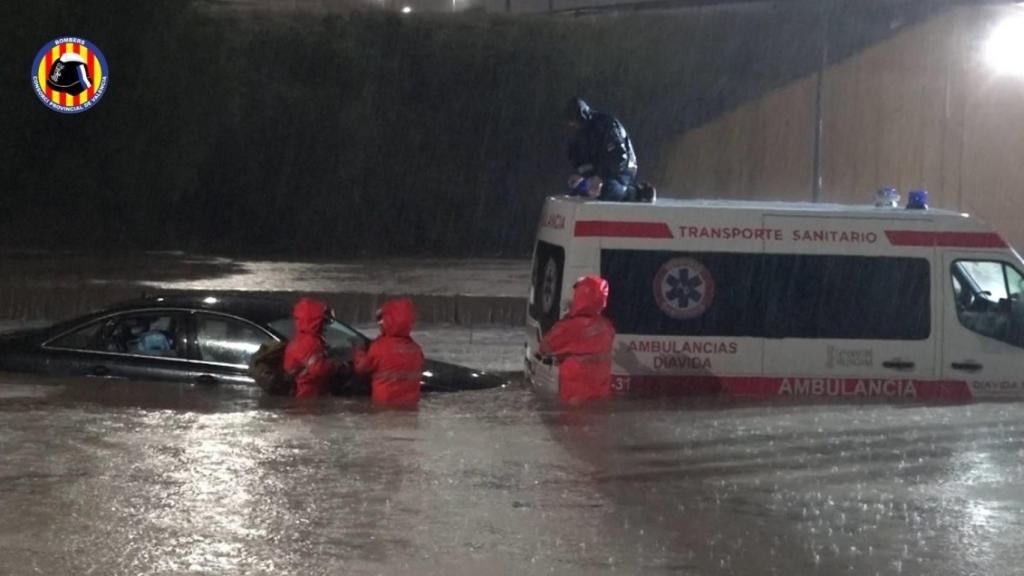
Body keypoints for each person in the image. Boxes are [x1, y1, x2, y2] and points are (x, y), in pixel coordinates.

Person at [540, 275, 616, 404]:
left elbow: (544, 347)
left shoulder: (570, 327)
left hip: (575, 396)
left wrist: (567, 318)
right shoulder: (606, 326)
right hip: (600, 395)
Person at [564, 97, 654, 202]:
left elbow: (619, 156)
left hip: (622, 169)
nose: (574, 126)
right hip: (599, 172)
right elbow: (581, 160)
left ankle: (637, 193)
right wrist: (580, 175)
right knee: (580, 190)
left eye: (575, 122)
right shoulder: (580, 135)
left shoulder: (606, 125)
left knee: (606, 190)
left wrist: (600, 177)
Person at [354, 298, 425, 407]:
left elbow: (361, 368)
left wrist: (358, 350)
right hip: (410, 408)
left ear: (387, 322)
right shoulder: (416, 349)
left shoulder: (379, 347)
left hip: (384, 407)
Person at [284, 297, 344, 399]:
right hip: (307, 395)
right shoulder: (309, 342)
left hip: (307, 393)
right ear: (315, 321)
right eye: (323, 322)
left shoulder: (302, 339)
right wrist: (336, 365)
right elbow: (317, 369)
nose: (325, 326)